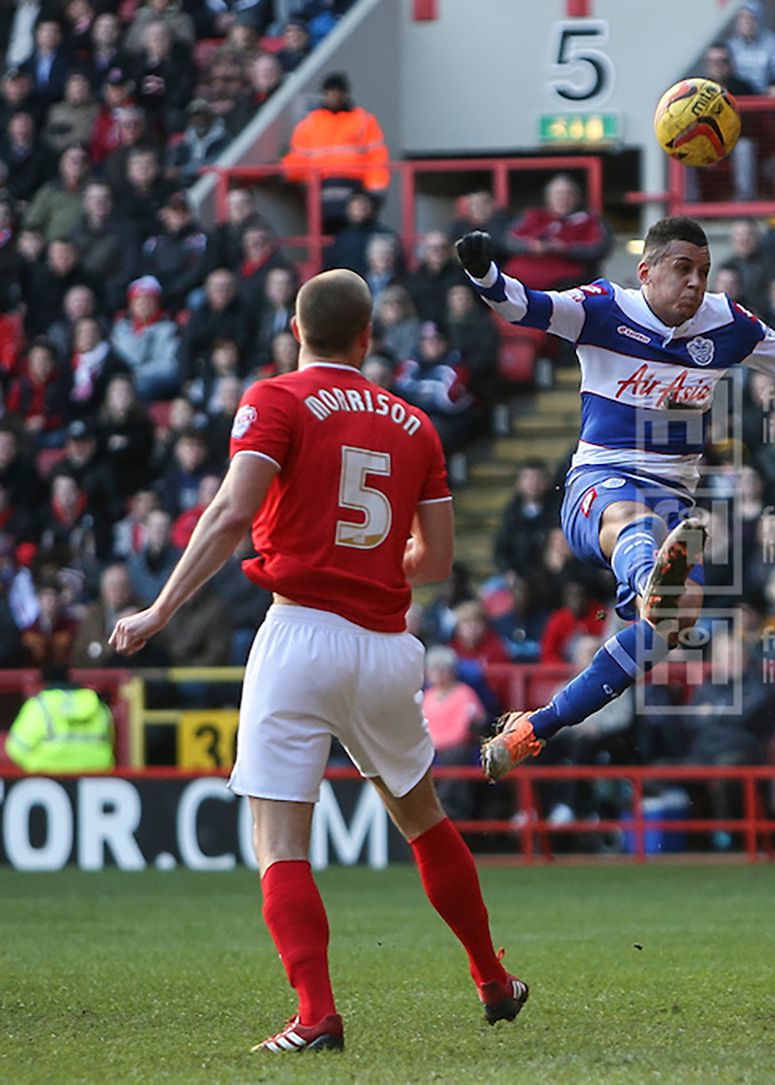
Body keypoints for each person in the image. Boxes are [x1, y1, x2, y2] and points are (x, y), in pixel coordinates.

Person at [108, 270, 527, 1052]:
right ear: (369, 337)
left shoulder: (275, 399)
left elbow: (234, 510)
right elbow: (434, 563)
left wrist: (161, 608)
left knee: (279, 839)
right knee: (422, 817)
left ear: (295, 327)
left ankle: (316, 1016)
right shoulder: (415, 425)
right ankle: (492, 979)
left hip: (299, 633)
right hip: (386, 645)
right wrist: (366, 559)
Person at [459, 218, 775, 778]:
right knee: (635, 525)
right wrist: (484, 273)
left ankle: (538, 727)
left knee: (671, 630)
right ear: (646, 271)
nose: (695, 283)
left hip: (673, 498)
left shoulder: (726, 324)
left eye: (703, 271)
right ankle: (648, 578)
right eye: (683, 269)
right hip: (600, 483)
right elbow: (524, 307)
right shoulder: (603, 308)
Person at [280, 73, 389, 227]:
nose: (333, 97)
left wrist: (375, 190)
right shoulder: (310, 123)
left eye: (337, 92)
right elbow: (298, 158)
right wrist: (281, 171)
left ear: (345, 94)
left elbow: (376, 158)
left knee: (354, 230)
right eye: (329, 93)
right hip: (322, 187)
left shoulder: (363, 120)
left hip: (355, 187)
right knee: (325, 233)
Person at [4, 660, 114, 772]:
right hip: (98, 777)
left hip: (48, 779)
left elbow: (15, 748)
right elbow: (111, 741)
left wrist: (35, 766)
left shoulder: (40, 705)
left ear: (43, 682)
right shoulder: (97, 704)